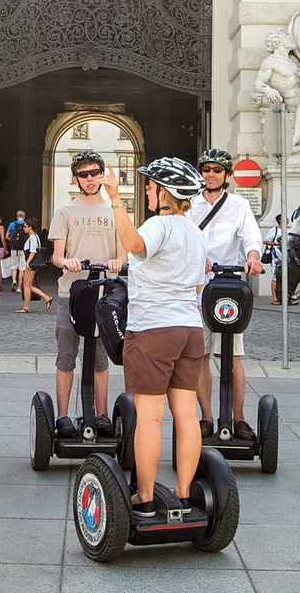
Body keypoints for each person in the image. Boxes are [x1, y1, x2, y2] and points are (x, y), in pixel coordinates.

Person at [102, 157, 207, 520]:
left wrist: (115, 198)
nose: (146, 190)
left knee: (149, 418)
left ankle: (144, 499)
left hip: (155, 329)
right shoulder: (195, 232)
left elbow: (133, 243)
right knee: (186, 415)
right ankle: (183, 496)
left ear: (166, 193)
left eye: (150, 186)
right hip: (191, 330)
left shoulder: (160, 225)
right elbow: (197, 282)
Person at [186, 149, 264, 441]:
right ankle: (206, 417)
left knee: (233, 357)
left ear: (227, 175)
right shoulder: (190, 205)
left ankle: (239, 418)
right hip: (197, 290)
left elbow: (251, 237)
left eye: (217, 170)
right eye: (206, 169)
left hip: (228, 290)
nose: (211, 174)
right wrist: (197, 257)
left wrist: (253, 257)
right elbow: (183, 236)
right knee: (199, 356)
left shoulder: (239, 206)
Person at [50, 150, 124, 437]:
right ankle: (63, 417)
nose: (90, 179)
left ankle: (102, 415)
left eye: (95, 173)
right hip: (72, 291)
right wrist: (66, 261)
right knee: (66, 355)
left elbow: (123, 251)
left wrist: (119, 261)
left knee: (101, 360)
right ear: (76, 178)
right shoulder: (65, 211)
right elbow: (56, 255)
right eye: (84, 174)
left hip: (105, 293)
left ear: (103, 175)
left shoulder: (114, 212)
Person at [14, 218, 53, 313]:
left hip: (31, 263)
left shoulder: (32, 237)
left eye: (25, 226)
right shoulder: (34, 236)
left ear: (30, 227)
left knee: (26, 285)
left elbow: (32, 251)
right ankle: (46, 298)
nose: (24, 228)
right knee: (28, 285)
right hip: (32, 262)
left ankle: (26, 307)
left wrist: (28, 262)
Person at [5, 209, 29, 293]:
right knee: (22, 269)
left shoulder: (12, 224)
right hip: (23, 249)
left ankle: (14, 280)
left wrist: (12, 240)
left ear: (16, 216)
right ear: (24, 217)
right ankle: (19, 287)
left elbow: (6, 236)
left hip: (14, 249)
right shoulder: (26, 225)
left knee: (14, 266)